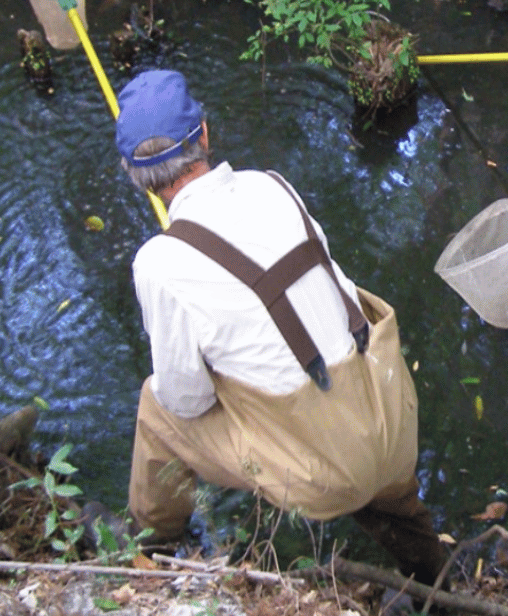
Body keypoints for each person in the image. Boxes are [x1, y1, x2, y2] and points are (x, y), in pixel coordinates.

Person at [108, 69, 448, 589]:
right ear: (203, 135)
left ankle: (148, 556)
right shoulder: (272, 185)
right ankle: (436, 584)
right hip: (390, 423)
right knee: (389, 496)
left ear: (135, 174)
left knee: (157, 409)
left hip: (320, 475)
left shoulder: (160, 261)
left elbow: (186, 400)